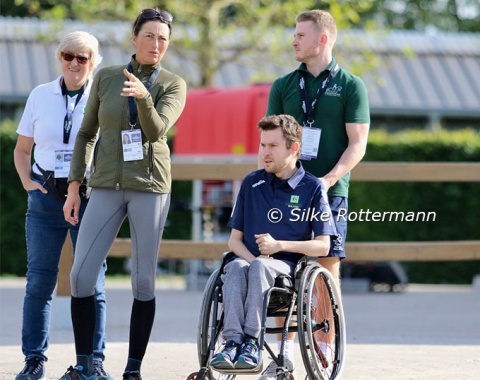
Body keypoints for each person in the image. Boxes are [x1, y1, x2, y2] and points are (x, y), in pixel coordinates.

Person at [60, 8, 187, 380]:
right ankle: (85, 366)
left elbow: (156, 131)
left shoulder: (174, 84)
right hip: (104, 185)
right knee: (81, 277)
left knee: (143, 281)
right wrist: (74, 186)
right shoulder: (106, 77)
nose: (156, 44)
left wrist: (145, 97)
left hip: (149, 187)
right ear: (135, 38)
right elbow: (85, 134)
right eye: (149, 35)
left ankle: (133, 370)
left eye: (163, 38)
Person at [261, 10, 370, 378]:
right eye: (293, 34)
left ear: (322, 39)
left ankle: (324, 351)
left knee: (328, 267)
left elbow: (358, 144)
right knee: (279, 269)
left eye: (300, 35)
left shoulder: (352, 86)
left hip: (329, 191)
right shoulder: (283, 85)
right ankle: (282, 355)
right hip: (284, 192)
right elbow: (270, 142)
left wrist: (328, 178)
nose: (293, 40)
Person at [13, 32, 113, 380]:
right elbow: (22, 149)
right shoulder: (41, 95)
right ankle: (34, 359)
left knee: (92, 283)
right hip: (45, 198)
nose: (74, 63)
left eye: (82, 57)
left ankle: (93, 360)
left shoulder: (102, 95)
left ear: (93, 61)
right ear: (59, 58)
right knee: (39, 282)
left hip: (90, 199)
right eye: (68, 55)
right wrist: (29, 184)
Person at [210, 114, 337, 372]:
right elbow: (234, 241)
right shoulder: (251, 183)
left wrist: (279, 246)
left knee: (260, 268)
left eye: (273, 146)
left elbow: (323, 246)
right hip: (248, 262)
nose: (265, 152)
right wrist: (253, 258)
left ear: (294, 148)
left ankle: (252, 345)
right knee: (234, 267)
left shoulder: (313, 188)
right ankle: (232, 343)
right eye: (262, 145)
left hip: (287, 270)